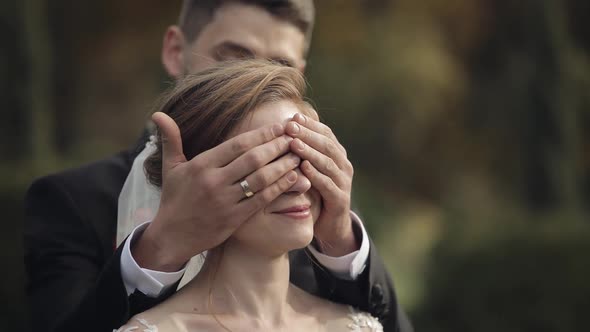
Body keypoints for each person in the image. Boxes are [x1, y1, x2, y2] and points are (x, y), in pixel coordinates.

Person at [24, 1, 410, 332]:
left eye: (278, 64)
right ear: (176, 50)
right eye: (235, 57)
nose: (254, 80)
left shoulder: (314, 201)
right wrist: (160, 247)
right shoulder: (73, 200)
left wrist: (341, 242)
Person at [116, 59, 384, 332]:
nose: (299, 183)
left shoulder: (356, 326)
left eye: (304, 155)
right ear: (197, 186)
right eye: (269, 163)